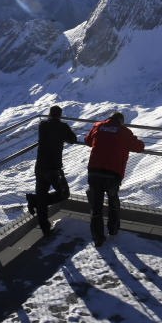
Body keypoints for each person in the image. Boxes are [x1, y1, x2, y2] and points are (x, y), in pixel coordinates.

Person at [84, 111, 145, 246]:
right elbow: (138, 147)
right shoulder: (124, 131)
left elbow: (88, 141)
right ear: (121, 121)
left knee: (96, 206)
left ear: (109, 118)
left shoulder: (97, 126)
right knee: (113, 201)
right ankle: (113, 229)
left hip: (94, 172)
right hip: (112, 174)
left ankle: (98, 238)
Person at [27, 105, 77, 235]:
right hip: (54, 168)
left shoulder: (42, 125)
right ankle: (35, 200)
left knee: (42, 197)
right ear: (60, 115)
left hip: (40, 167)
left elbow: (49, 128)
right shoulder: (63, 127)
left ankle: (45, 228)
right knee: (64, 193)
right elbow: (73, 140)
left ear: (49, 114)